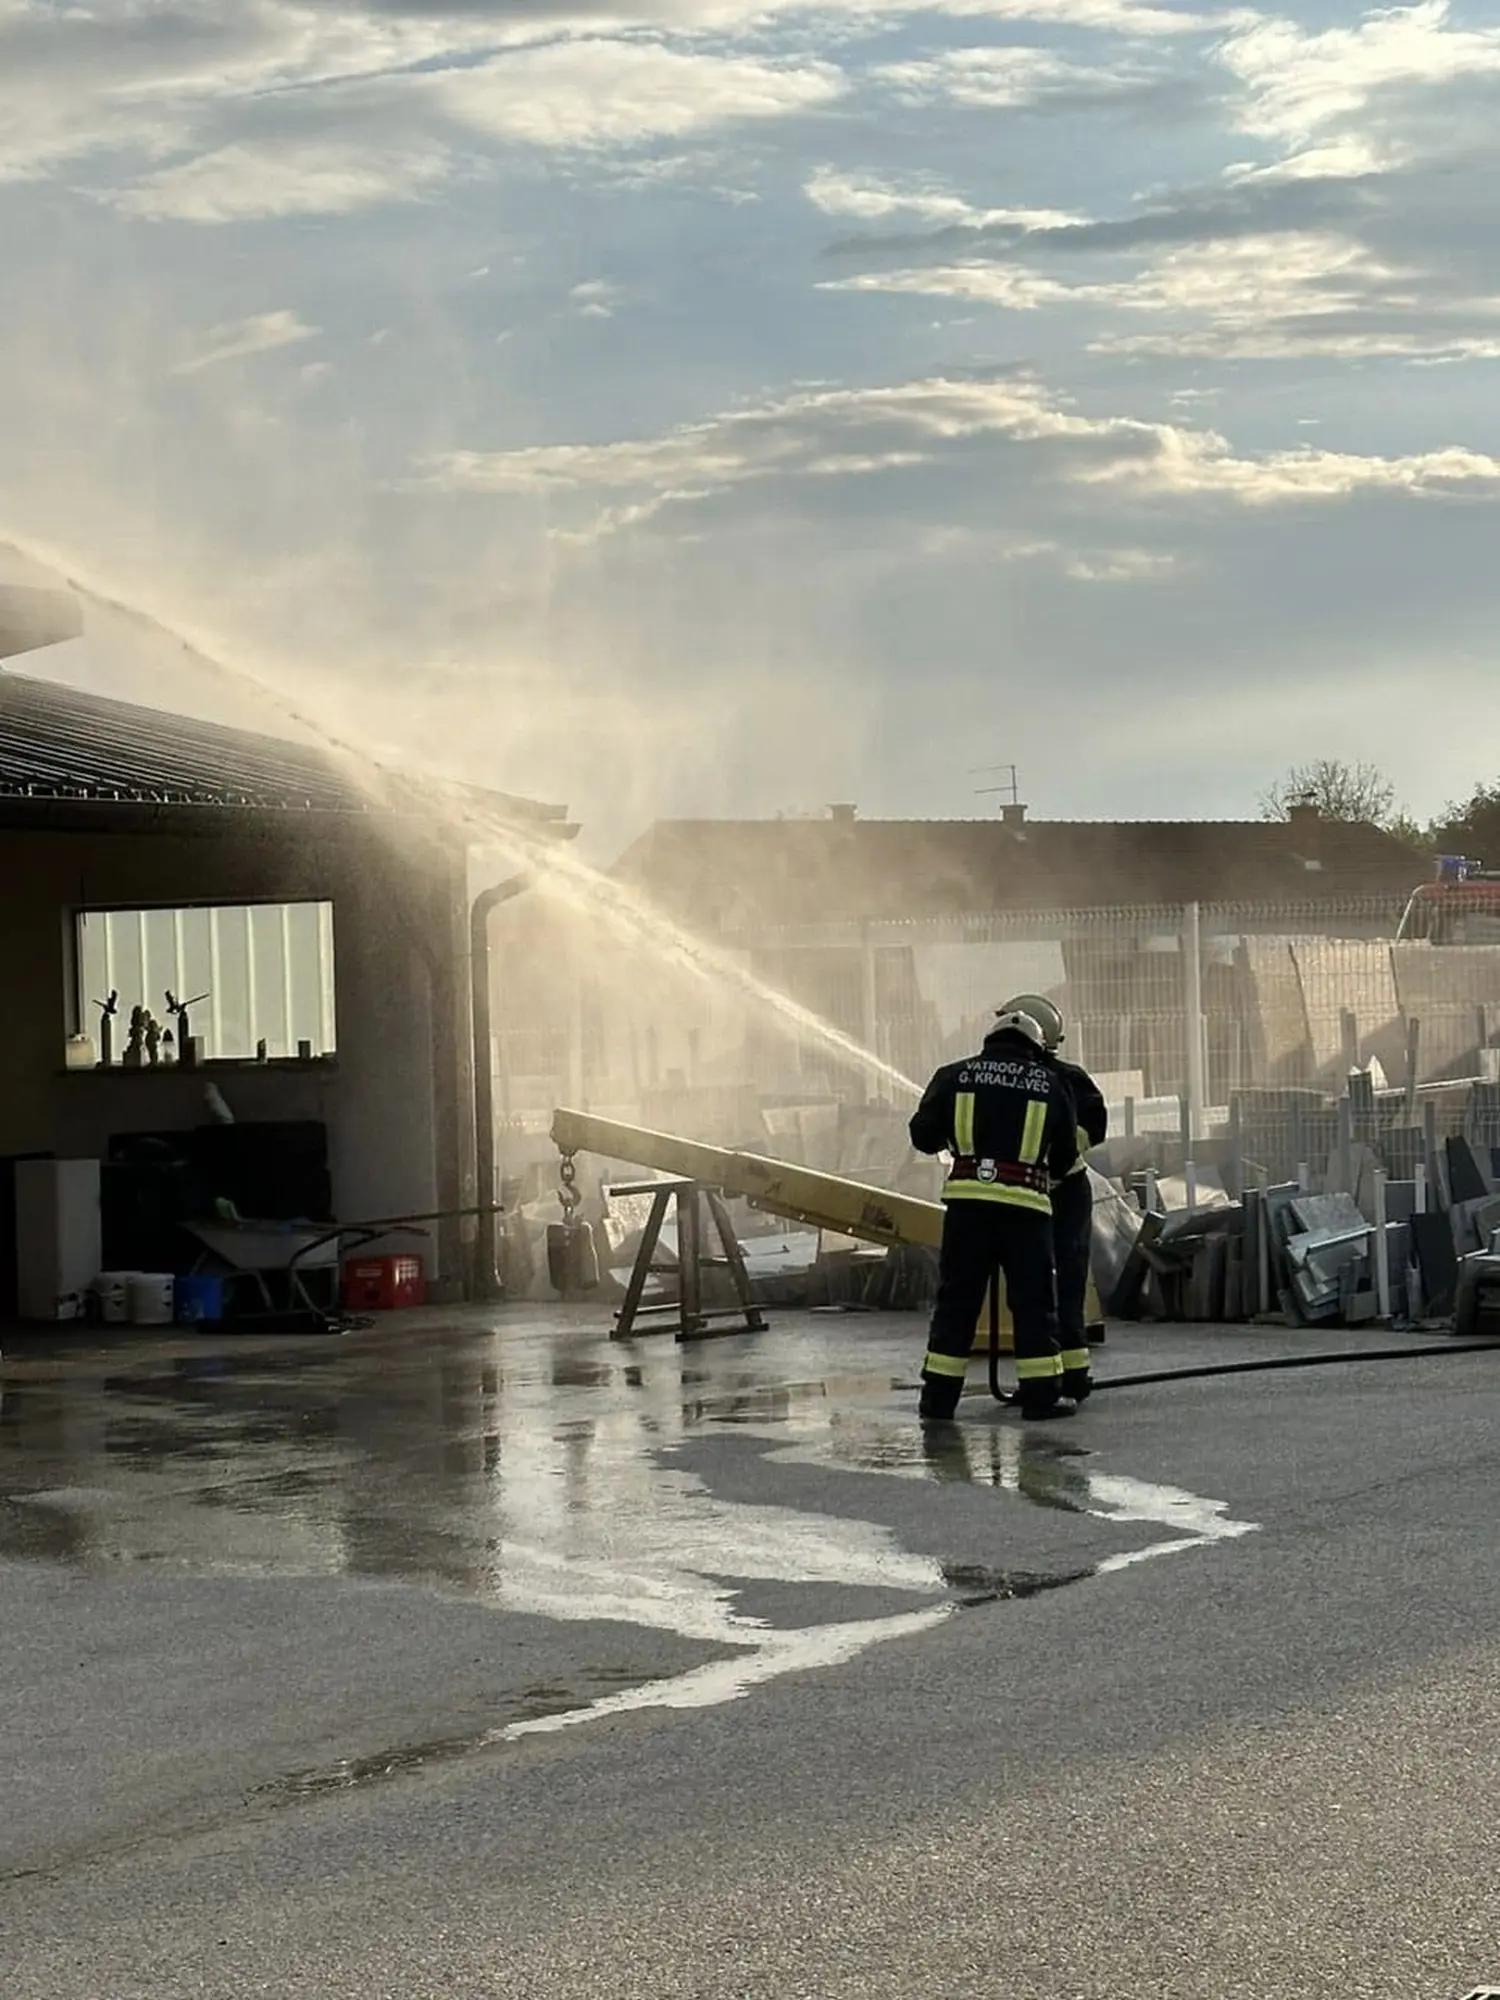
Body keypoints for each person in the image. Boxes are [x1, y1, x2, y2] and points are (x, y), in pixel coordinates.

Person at [908, 1009, 1079, 1423]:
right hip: (1027, 1213)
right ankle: (1040, 1397)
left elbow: (922, 1135)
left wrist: (958, 1143)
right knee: (1034, 1304)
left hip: (968, 1211)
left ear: (990, 1040)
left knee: (956, 1302)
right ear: (1037, 1049)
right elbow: (1064, 1158)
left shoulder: (954, 1075)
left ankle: (939, 1401)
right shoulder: (1052, 1085)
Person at [999, 993, 1108, 1402]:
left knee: (1063, 1282)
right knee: (1040, 1285)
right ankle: (1054, 1377)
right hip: (1034, 1191)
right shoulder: (1018, 1077)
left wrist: (1053, 1161)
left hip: (1060, 1195)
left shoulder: (1067, 1079)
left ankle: (1071, 1376)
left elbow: (1093, 1127)